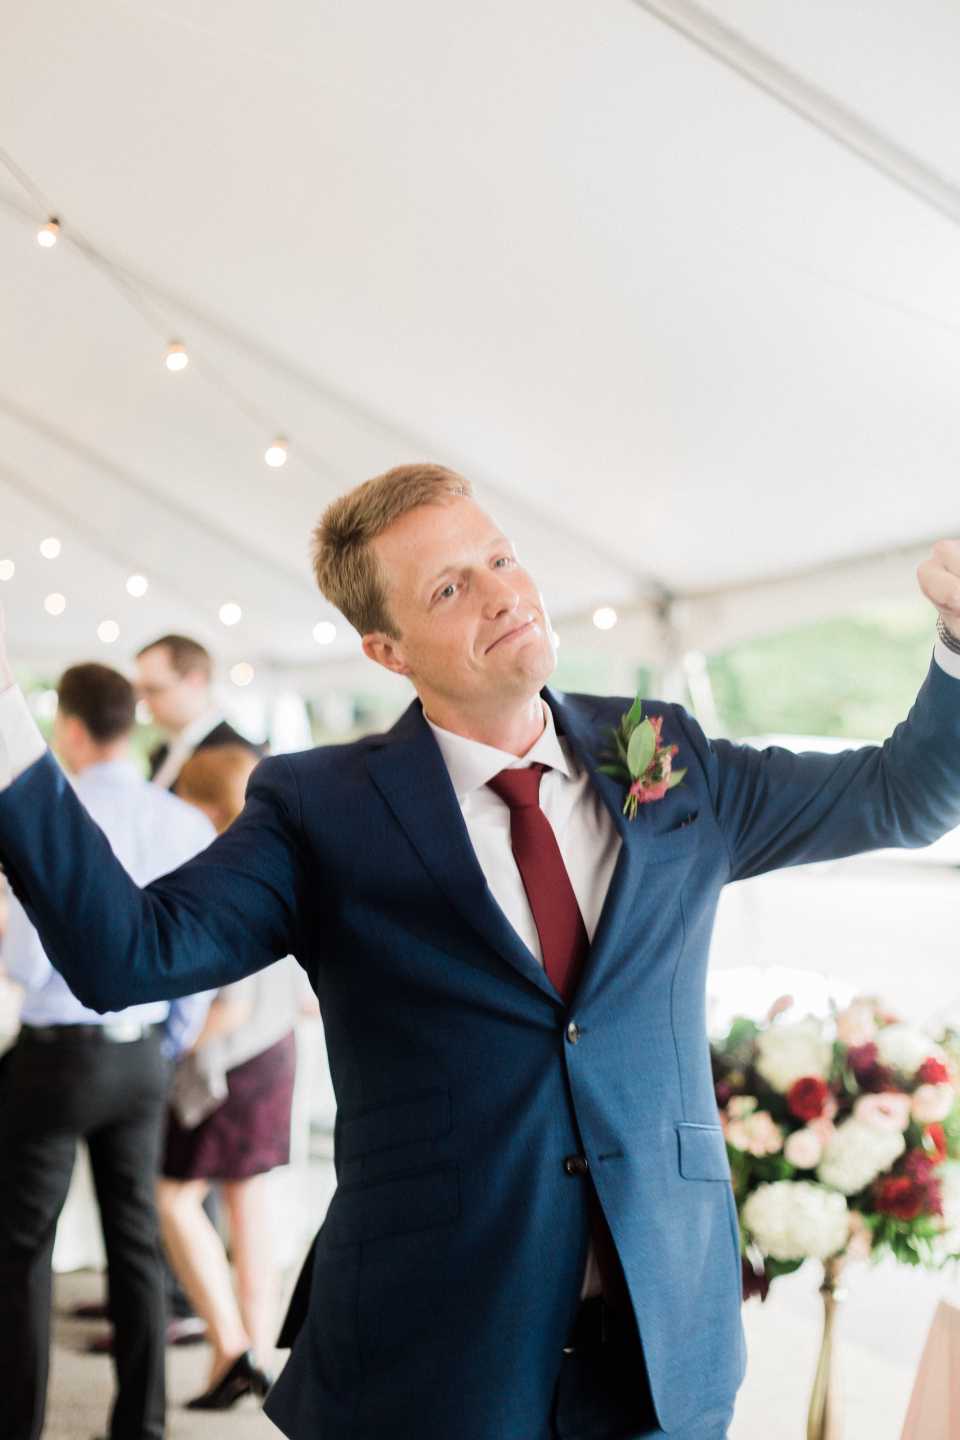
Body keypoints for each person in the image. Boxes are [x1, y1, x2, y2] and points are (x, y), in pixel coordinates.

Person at [0, 466, 958, 1439]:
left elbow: (904, 795)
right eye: (450, 587)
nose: (502, 593)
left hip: (663, 1351)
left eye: (501, 558)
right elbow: (128, 954)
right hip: (433, 1359)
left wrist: (958, 640)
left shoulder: (664, 753)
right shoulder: (320, 808)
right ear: (387, 650)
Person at [0, 663, 215, 1440]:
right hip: (141, 1059)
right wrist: (168, 1041)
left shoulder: (46, 815)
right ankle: (141, 1427)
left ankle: (18, 1424)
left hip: (57, 1057)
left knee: (24, 1250)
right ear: (132, 722)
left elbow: (28, 963)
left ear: (69, 726)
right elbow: (198, 957)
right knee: (136, 1243)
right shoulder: (182, 821)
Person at [157, 746, 303, 1410]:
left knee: (173, 1200)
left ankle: (230, 1347)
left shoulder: (224, 869)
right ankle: (254, 1355)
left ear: (205, 805)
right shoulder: (283, 862)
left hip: (232, 1059)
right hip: (275, 1051)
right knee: (248, 1205)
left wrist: (171, 1047)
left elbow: (230, 1005)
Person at [134, 634, 264, 789]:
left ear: (195, 680)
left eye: (153, 689)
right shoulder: (163, 750)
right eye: (139, 691)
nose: (142, 700)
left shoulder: (239, 756)